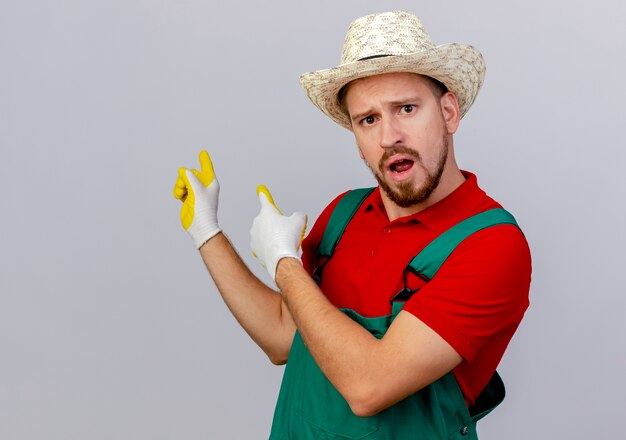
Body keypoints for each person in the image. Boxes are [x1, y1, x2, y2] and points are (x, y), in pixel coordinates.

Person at [173, 10, 531, 439]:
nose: (389, 136)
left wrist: (283, 263)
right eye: (368, 119)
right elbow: (284, 337)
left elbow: (369, 386)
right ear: (358, 142)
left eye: (407, 108)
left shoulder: (492, 246)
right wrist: (207, 233)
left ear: (449, 113)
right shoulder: (343, 215)